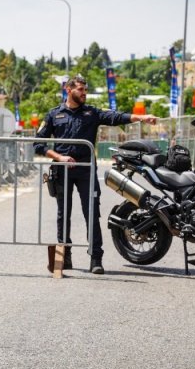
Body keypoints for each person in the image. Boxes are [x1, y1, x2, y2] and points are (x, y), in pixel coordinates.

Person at [34, 74, 158, 275]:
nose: (84, 93)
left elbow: (116, 117)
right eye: (80, 89)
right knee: (63, 215)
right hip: (62, 170)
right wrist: (58, 157)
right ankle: (65, 256)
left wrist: (141, 118)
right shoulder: (54, 114)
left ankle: (95, 258)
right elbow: (38, 143)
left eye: (85, 90)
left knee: (91, 213)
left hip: (86, 171)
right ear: (68, 90)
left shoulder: (92, 113)